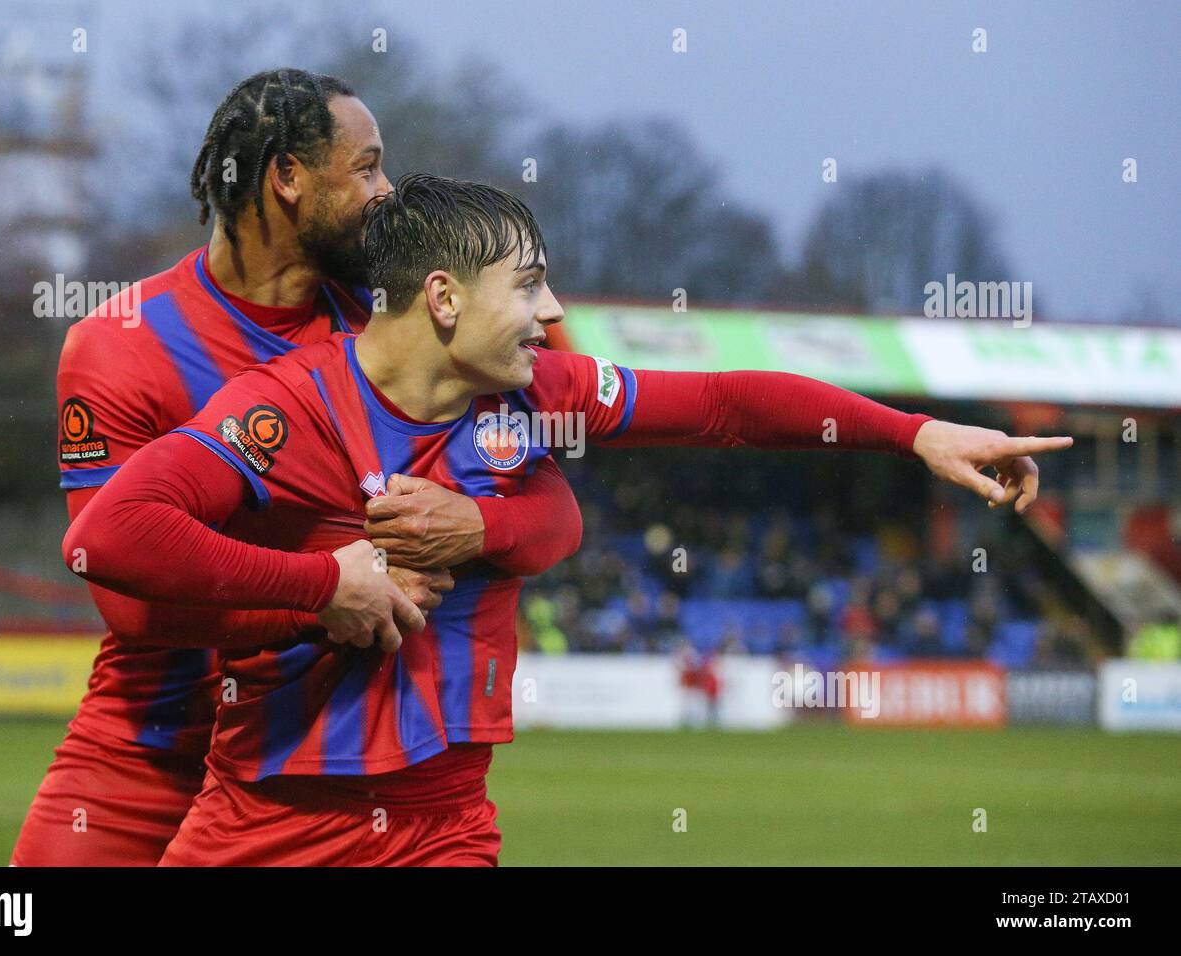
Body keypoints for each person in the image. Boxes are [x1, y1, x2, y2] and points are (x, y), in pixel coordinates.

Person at [63, 173, 1073, 865]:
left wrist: (913, 436)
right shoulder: (280, 407)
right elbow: (108, 534)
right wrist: (325, 584)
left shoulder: (537, 393)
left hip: (441, 826)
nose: (550, 313)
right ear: (445, 298)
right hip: (263, 825)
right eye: (530, 282)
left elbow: (725, 404)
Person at [11, 72, 582, 865]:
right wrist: (320, 596)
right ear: (287, 179)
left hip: (315, 771)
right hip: (150, 747)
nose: (387, 193)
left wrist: (485, 522)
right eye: (367, 168)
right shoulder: (123, 342)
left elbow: (553, 510)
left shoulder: (393, 329)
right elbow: (125, 604)